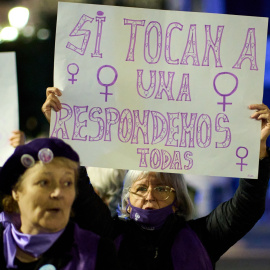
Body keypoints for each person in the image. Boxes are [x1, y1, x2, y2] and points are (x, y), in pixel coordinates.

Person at [42, 87, 270, 270]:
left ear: (177, 201)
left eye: (162, 189)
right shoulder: (109, 235)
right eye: (140, 189)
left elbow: (247, 207)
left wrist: (257, 149)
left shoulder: (203, 237)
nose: (149, 196)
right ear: (127, 202)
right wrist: (64, 131)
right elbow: (79, 193)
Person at [0, 137, 119, 270]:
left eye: (68, 183)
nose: (58, 193)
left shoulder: (97, 254)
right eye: (44, 182)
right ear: (16, 191)